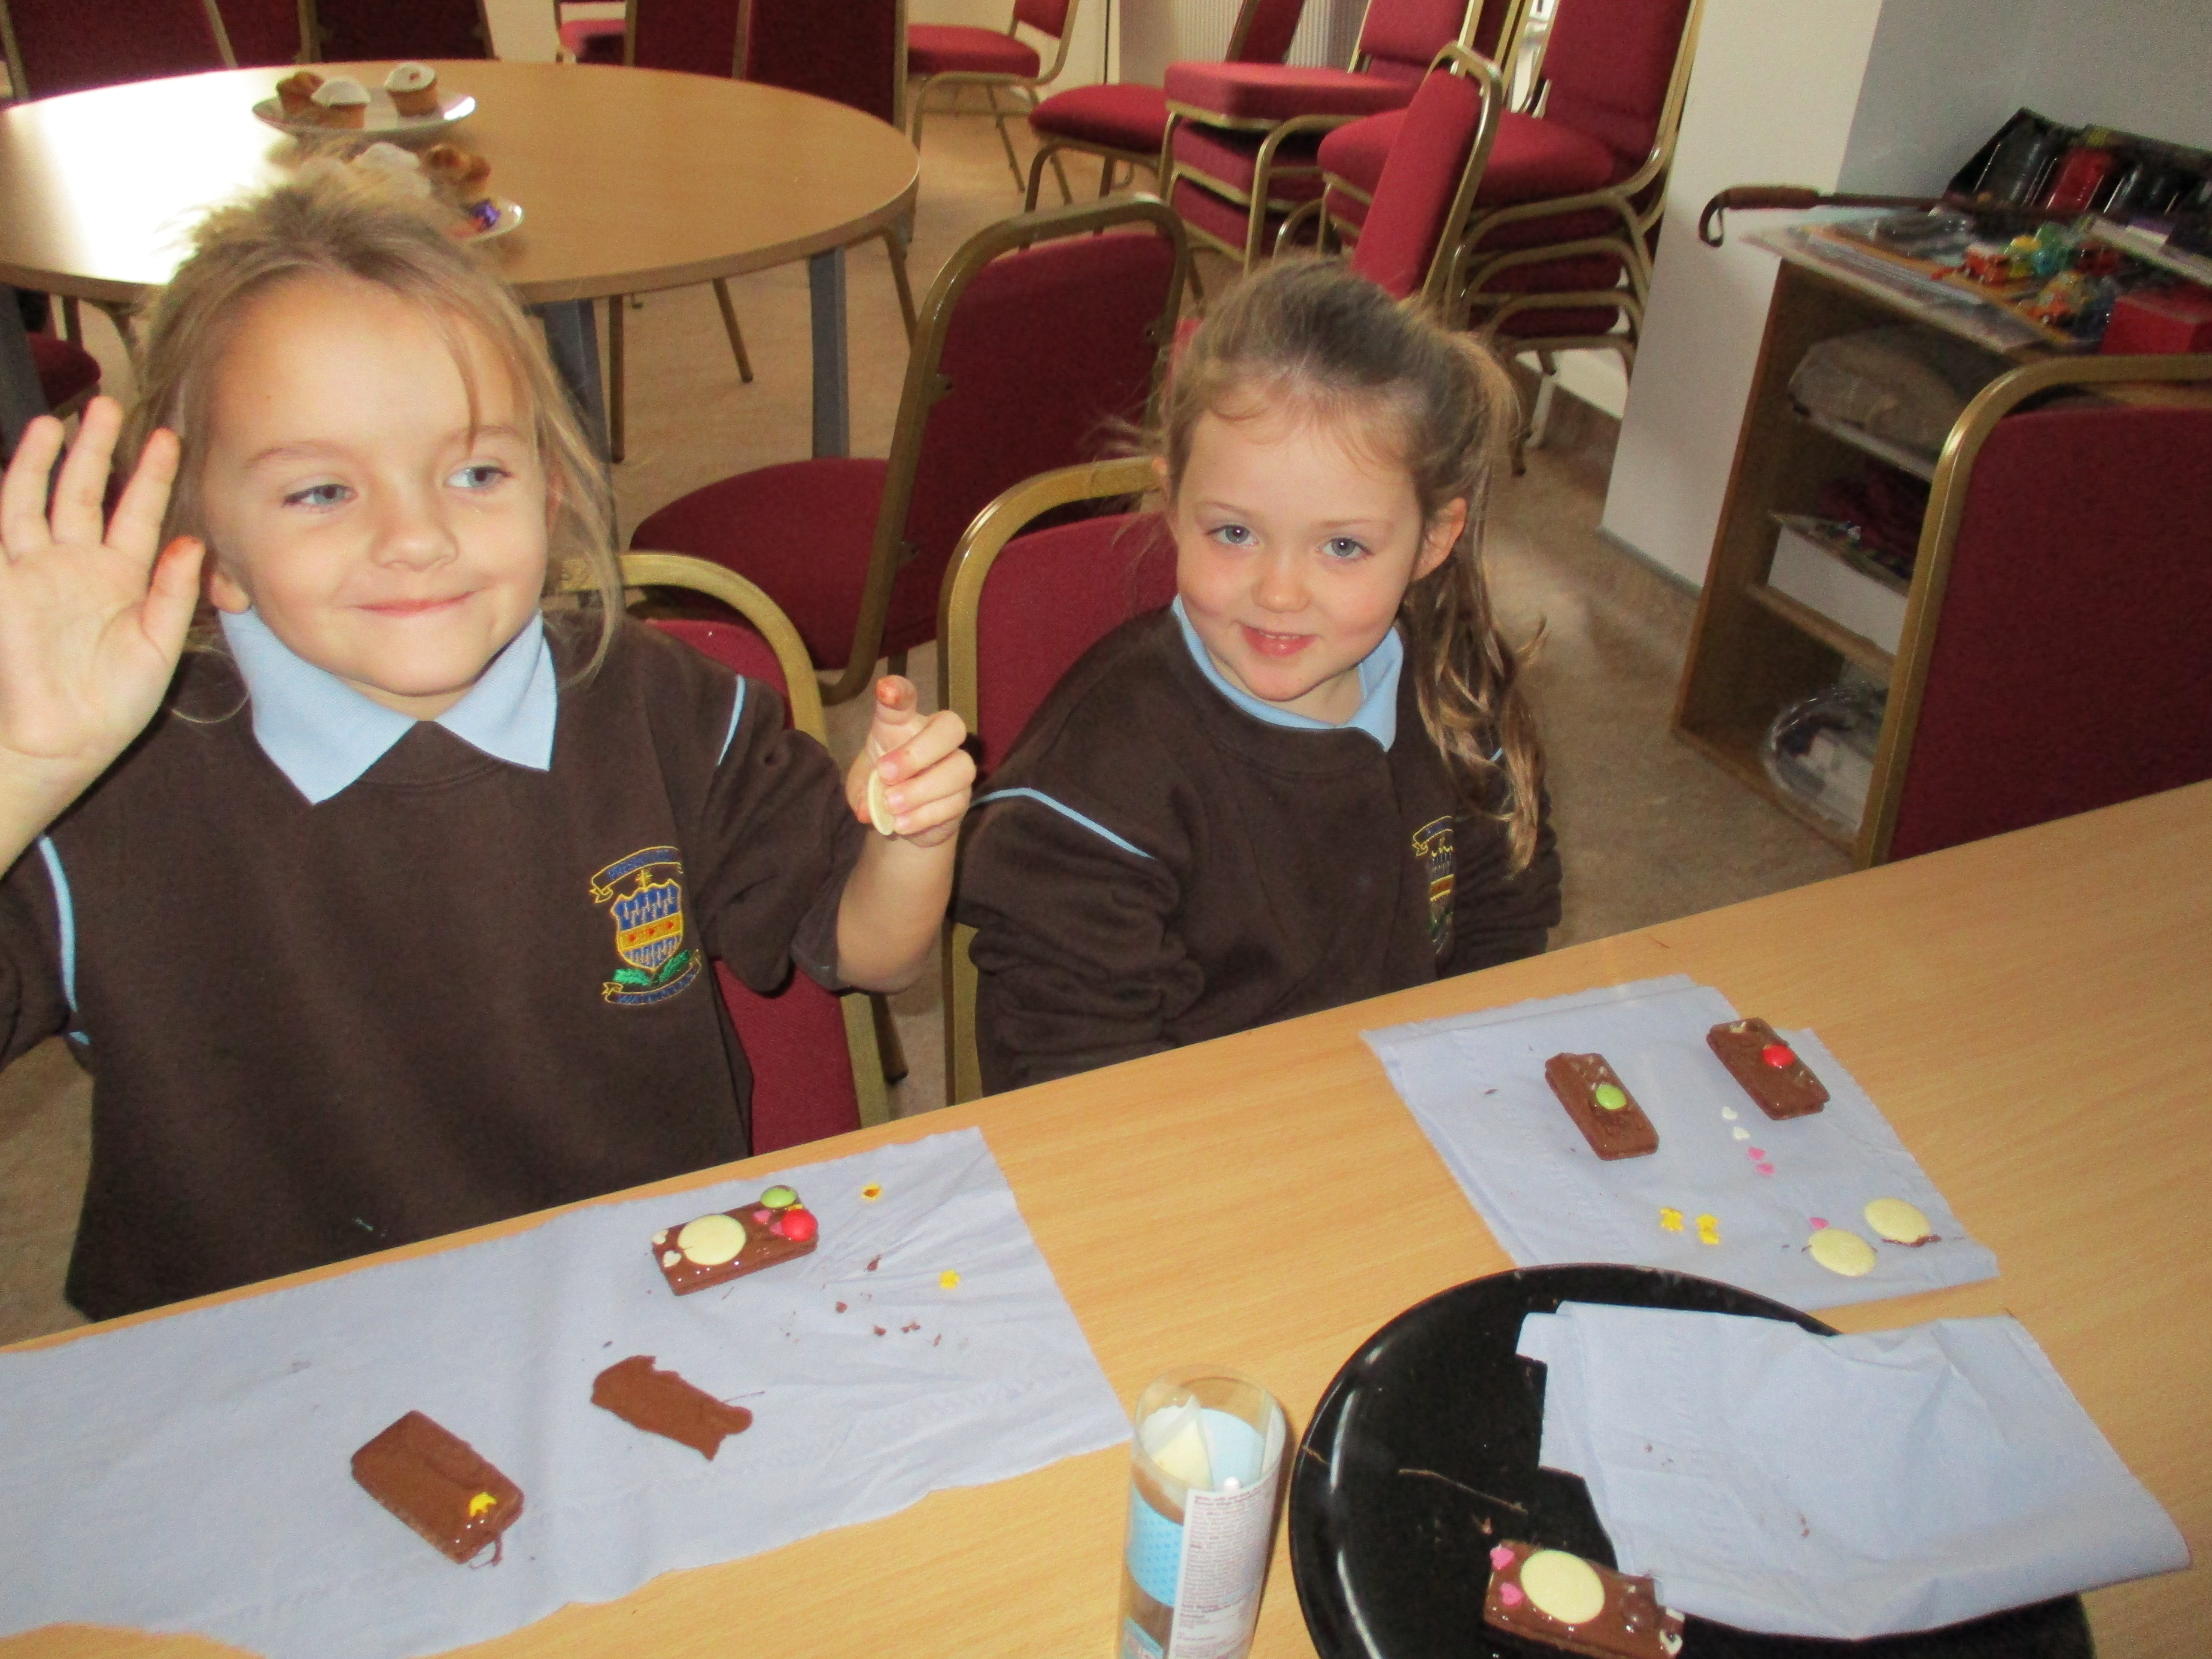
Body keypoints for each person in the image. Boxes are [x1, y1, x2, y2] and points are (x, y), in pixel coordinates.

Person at [0, 169, 973, 1320]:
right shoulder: (107, 787)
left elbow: (871, 951)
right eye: (321, 492)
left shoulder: (667, 710)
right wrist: (22, 774)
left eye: (475, 473)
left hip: (631, 1311)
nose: (417, 536)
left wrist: (910, 839)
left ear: (551, 496)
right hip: (257, 1360)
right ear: (205, 547)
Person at [957, 259, 1561, 1094]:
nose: (1279, 593)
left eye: (1342, 546)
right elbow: (1069, 1078)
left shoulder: (1454, 695)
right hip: (1185, 1142)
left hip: (1395, 1113)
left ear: (1432, 540)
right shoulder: (1103, 775)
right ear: (1174, 504)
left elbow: (1503, 928)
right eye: (1235, 534)